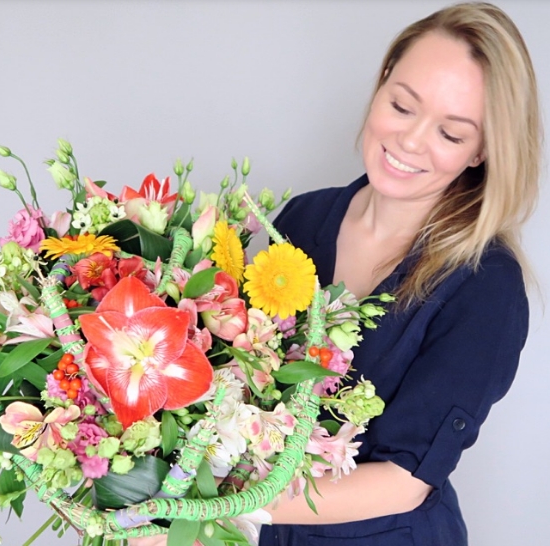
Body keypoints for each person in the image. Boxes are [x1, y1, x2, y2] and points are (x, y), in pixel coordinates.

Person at [130, 2, 541, 545]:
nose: (411, 140)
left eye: (451, 133)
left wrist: (203, 512)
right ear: (383, 80)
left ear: (482, 152)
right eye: (402, 105)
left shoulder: (486, 286)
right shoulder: (303, 219)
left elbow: (405, 480)